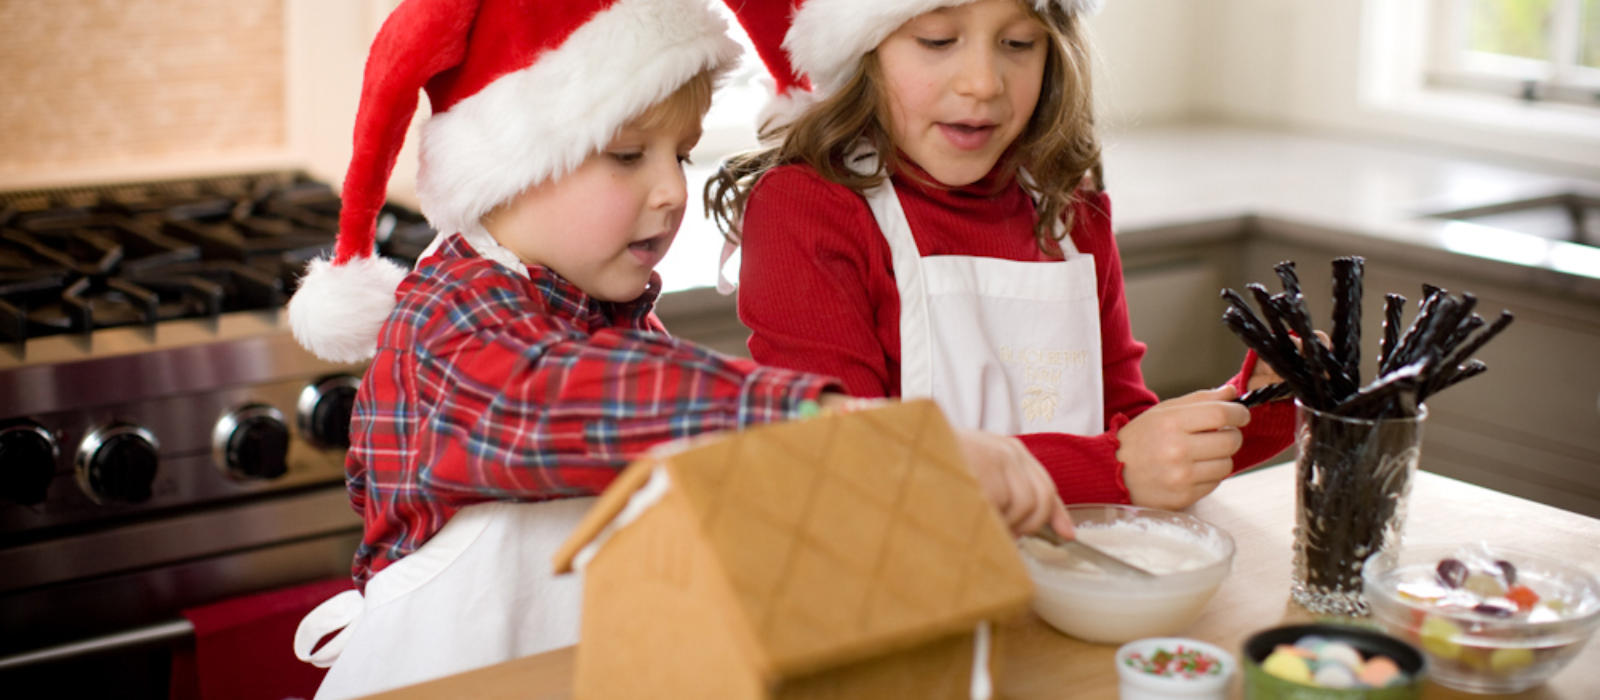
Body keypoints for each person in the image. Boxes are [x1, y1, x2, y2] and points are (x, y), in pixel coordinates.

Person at [282, 1, 1070, 696]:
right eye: (629, 155)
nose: (670, 191)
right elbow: (568, 395)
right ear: (510, 167)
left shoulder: (607, 310)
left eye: (682, 154)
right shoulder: (451, 323)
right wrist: (860, 435)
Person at [711, 0, 1296, 511]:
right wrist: (1116, 466)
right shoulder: (806, 209)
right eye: (938, 39)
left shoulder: (1068, 207)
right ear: (863, 50)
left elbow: (1121, 421)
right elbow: (849, 469)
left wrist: (1256, 405)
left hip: (1077, 588)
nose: (983, 82)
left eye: (1019, 43)